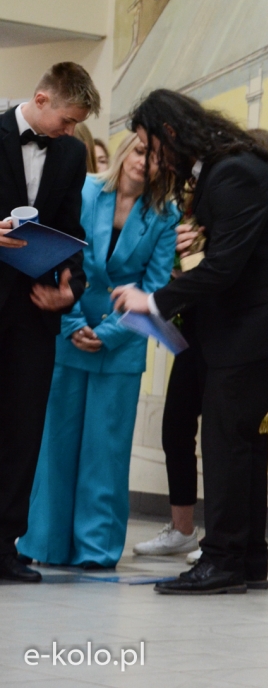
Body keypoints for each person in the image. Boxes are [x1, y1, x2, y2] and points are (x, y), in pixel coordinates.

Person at [112, 89, 268, 595]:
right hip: (262, 324)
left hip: (260, 325)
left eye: (150, 144)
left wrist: (155, 301)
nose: (152, 158)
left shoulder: (230, 172)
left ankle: (224, 560)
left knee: (227, 439)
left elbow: (226, 267)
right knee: (243, 439)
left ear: (169, 134)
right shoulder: (230, 167)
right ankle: (247, 558)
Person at [18, 135, 179, 568]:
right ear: (127, 149)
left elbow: (156, 284)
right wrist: (72, 323)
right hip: (66, 324)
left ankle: (96, 549)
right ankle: (43, 543)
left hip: (122, 340)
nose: (145, 163)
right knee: (56, 444)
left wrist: (107, 334)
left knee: (105, 452)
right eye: (142, 151)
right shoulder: (86, 190)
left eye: (157, 159)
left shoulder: (166, 215)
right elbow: (54, 257)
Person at [0, 62, 99, 584]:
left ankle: (4, 545)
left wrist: (70, 289)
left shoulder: (71, 154)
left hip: (35, 309)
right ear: (41, 100)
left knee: (22, 429)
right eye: (66, 120)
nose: (70, 131)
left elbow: (71, 228)